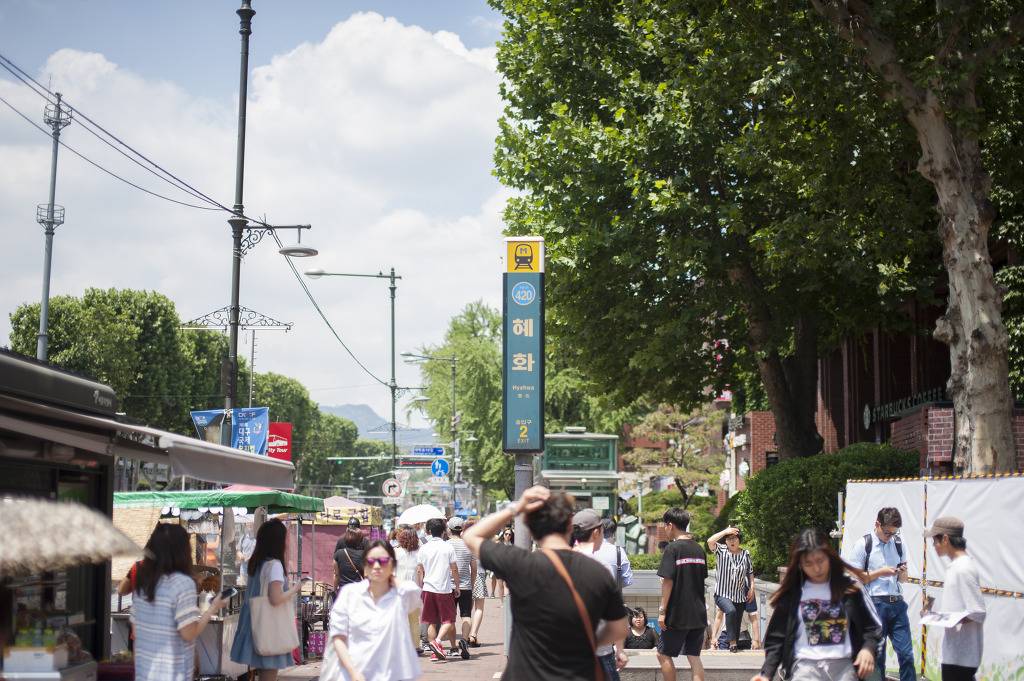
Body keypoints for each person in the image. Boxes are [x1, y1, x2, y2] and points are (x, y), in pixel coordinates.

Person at [464, 486, 628, 681]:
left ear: (528, 526)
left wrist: (517, 507)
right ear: (570, 525)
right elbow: (619, 628)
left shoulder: (520, 564)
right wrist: (587, 642)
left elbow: (471, 536)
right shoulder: (598, 572)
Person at [752, 528, 881, 681]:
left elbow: (870, 629)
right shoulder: (793, 595)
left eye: (820, 561)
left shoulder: (848, 590)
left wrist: (868, 649)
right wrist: (766, 673)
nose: (817, 569)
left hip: (844, 668)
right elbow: (776, 639)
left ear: (829, 557)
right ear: (800, 564)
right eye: (809, 564)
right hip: (805, 668)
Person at [132, 524, 228, 681]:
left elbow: (136, 632)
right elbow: (188, 633)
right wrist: (212, 608)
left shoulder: (143, 581)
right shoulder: (182, 583)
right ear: (183, 551)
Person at [322, 540, 422, 681]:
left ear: (392, 564)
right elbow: (338, 637)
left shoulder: (400, 595)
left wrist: (391, 578)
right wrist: (353, 672)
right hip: (355, 673)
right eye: (371, 561)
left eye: (383, 561)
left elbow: (413, 594)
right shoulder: (350, 594)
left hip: (391, 674)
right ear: (364, 566)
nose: (376, 566)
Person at [843, 507, 915, 681]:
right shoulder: (863, 545)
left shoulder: (898, 544)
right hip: (874, 605)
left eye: (893, 533)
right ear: (877, 524)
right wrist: (880, 573)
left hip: (897, 604)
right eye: (887, 532)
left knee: (906, 655)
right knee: (878, 658)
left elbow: (903, 580)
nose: (890, 536)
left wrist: (901, 573)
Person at [230, 518, 303, 680]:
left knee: (263, 674)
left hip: (254, 625)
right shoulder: (274, 565)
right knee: (268, 676)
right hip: (270, 629)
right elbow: (275, 598)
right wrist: (295, 589)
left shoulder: (256, 564)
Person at [923, 517, 985, 681]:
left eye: (935, 540)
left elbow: (978, 612)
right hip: (956, 654)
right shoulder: (957, 566)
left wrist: (948, 619)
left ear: (945, 539)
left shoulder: (963, 568)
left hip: (961, 657)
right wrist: (936, 616)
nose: (933, 545)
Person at [574, 509, 630, 679]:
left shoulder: (561, 561)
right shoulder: (602, 570)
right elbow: (616, 615)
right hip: (601, 650)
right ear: (597, 532)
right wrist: (619, 650)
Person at [657, 508, 708, 681]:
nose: (665, 529)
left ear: (670, 525)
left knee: (663, 654)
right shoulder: (699, 550)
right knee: (694, 657)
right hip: (699, 613)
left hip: (678, 614)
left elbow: (668, 581)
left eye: (665, 525)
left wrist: (662, 611)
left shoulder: (672, 549)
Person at [415, 517, 460, 662]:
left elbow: (420, 570)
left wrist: (421, 586)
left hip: (427, 588)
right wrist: (457, 586)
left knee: (431, 622)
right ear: (443, 531)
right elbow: (454, 569)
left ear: (428, 531)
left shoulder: (424, 548)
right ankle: (437, 642)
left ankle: (435, 652)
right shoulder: (448, 547)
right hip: (444, 589)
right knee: (449, 620)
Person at [706, 526, 755, 652]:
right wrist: (724, 532)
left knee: (737, 622)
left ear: (739, 540)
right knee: (730, 611)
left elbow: (750, 572)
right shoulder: (721, 551)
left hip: (739, 595)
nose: (732, 541)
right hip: (722, 593)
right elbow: (710, 542)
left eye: (734, 538)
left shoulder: (745, 554)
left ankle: (734, 644)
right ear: (725, 541)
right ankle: (732, 643)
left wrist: (751, 588)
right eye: (728, 539)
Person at [446, 516, 475, 659]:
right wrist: (472, 582)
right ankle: (464, 639)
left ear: (449, 529)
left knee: (450, 619)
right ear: (462, 529)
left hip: (449, 587)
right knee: (466, 616)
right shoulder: (469, 545)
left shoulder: (446, 545)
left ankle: (453, 647)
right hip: (466, 586)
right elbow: (473, 568)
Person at [393, 529, 422, 652]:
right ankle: (415, 646)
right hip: (414, 588)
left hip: (398, 589)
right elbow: (420, 572)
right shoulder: (419, 552)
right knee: (414, 620)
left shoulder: (395, 551)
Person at [464, 520, 488, 648]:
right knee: (479, 607)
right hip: (479, 574)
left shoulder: (463, 541)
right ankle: (473, 635)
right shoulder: (479, 540)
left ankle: (466, 636)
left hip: (465, 576)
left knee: (468, 608)